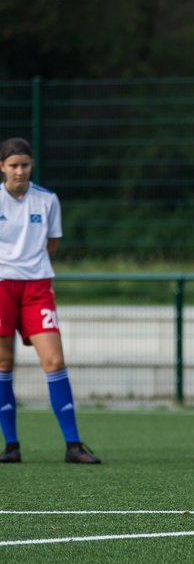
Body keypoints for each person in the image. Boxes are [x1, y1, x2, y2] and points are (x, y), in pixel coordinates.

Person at [0, 137, 101, 464]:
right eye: (13, 165)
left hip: (36, 288)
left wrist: (30, 266)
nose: (19, 171)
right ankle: (11, 446)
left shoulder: (47, 200)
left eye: (24, 165)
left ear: (32, 166)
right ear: (2, 167)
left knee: (54, 362)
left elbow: (52, 244)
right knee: (3, 365)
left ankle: (73, 445)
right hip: (2, 287)